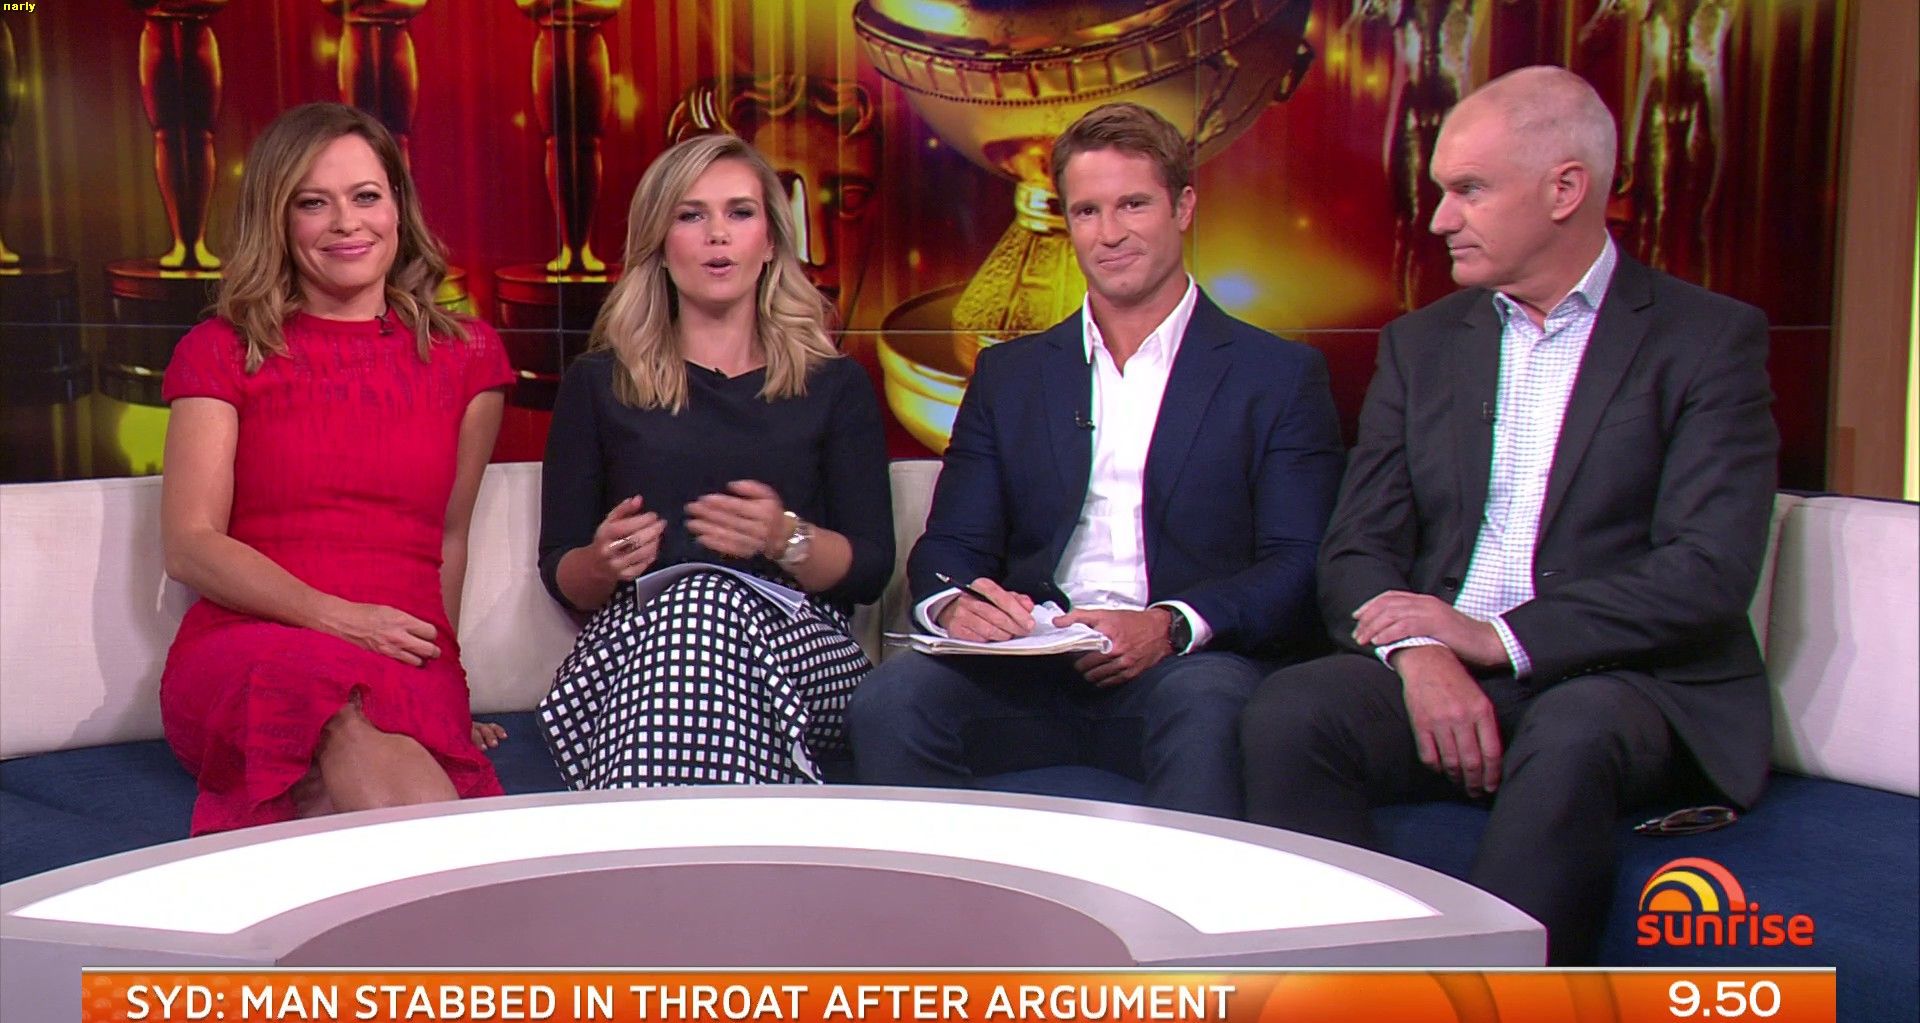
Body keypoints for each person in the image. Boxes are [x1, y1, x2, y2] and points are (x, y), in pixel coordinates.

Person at [1239, 66, 1777, 975]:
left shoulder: (1705, 341)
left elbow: (1705, 571)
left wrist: (1497, 639)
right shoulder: (1422, 344)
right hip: (1451, 661)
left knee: (1575, 733)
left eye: (1469, 190)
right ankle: (1341, 1012)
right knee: (1293, 711)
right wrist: (1422, 654)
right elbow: (1359, 545)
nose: (1439, 219)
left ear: (1565, 189)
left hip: (1626, 681)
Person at [845, 103, 1346, 818]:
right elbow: (951, 544)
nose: (1109, 234)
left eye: (1133, 205)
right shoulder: (1010, 376)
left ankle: (1174, 897)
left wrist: (1170, 624)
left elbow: (1298, 563)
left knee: (1208, 708)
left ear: (1183, 208)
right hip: (1032, 666)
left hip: (1186, 666)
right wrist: (955, 604)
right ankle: (945, 896)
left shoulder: (1277, 376)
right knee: (893, 700)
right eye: (1086, 211)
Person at [159, 102, 512, 834]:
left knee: (345, 765)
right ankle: (455, 891)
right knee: (337, 715)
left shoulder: (468, 356)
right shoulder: (222, 350)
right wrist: (342, 621)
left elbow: (449, 537)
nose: (346, 223)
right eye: (313, 203)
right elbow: (191, 544)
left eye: (366, 196)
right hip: (254, 642)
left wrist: (447, 681)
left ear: (397, 208)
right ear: (278, 220)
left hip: (401, 646)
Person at [536, 134, 893, 788]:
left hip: (801, 651)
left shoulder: (834, 384)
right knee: (694, 612)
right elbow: (562, 570)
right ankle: (754, 842)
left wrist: (783, 538)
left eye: (739, 213)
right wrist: (603, 562)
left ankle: (643, 836)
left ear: (771, 241)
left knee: (706, 605)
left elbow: (870, 568)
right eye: (691, 215)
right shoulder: (598, 383)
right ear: (659, 243)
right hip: (638, 645)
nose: (717, 235)